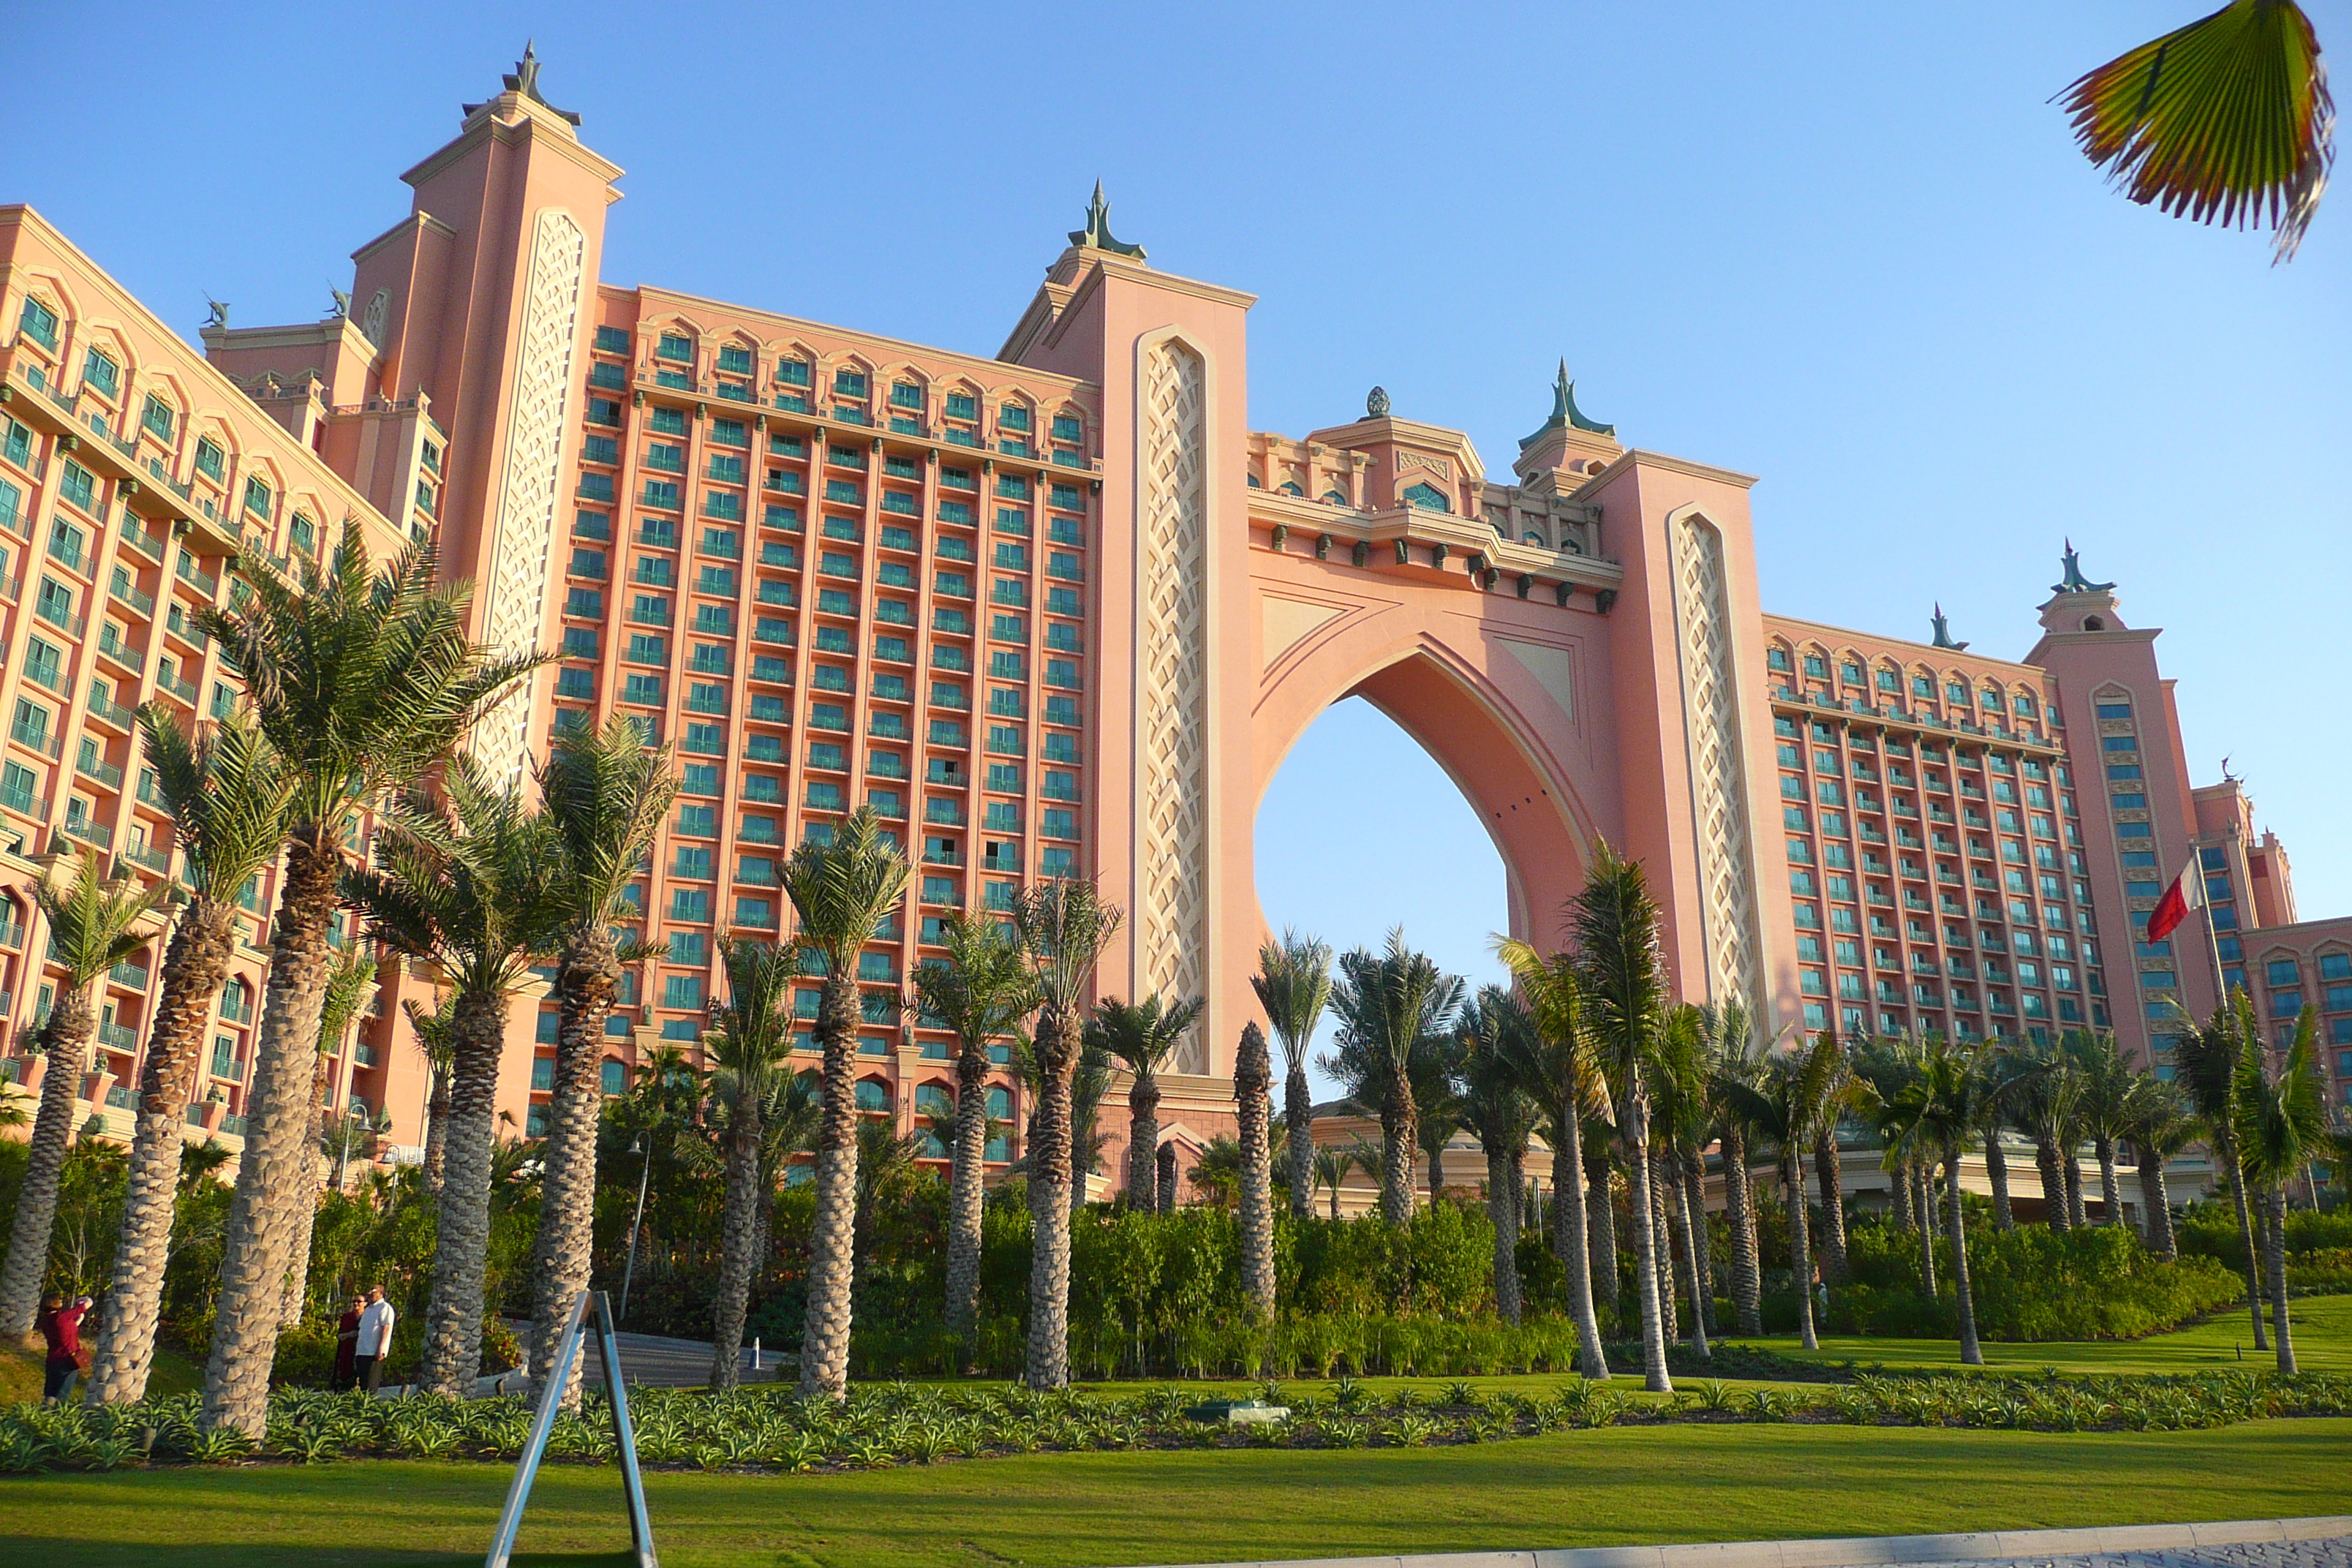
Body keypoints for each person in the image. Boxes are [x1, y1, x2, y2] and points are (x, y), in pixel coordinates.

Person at [34, 1292, 89, 1403]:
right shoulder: (61, 1317)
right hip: (68, 1359)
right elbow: (87, 1304)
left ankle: (45, 1413)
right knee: (63, 1392)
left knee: (51, 1392)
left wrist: (79, 1320)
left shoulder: (46, 1320)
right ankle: (58, 1415)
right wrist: (83, 1300)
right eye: (60, 1300)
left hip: (52, 1359)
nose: (61, 1302)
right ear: (54, 1303)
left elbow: (65, 1329)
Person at [353, 1286, 396, 1392]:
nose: (370, 1293)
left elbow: (386, 1328)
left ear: (381, 1293)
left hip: (373, 1353)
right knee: (363, 1385)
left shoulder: (385, 1308)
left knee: (370, 1386)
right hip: (362, 1352)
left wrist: (382, 1349)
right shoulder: (368, 1310)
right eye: (369, 1291)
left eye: (373, 1291)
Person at [333, 1294, 365, 1390]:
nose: (356, 1304)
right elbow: (339, 1335)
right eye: (354, 1301)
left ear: (365, 1303)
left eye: (359, 1301)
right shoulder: (346, 1317)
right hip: (347, 1351)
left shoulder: (368, 1317)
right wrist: (349, 1335)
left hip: (363, 1350)